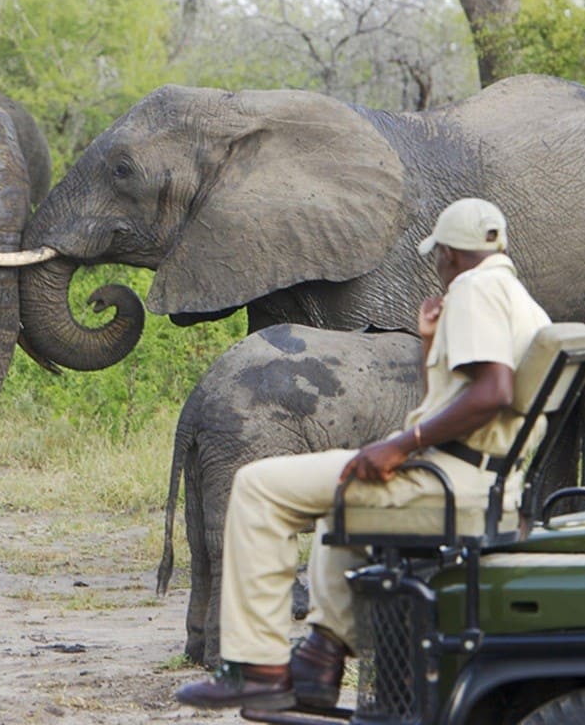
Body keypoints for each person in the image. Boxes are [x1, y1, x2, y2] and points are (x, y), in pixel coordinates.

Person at [174, 198, 551, 711]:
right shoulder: (518, 298)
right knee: (343, 497)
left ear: (450, 253)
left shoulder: (474, 290)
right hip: (486, 480)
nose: (435, 265)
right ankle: (319, 660)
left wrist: (400, 444)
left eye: (436, 255)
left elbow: (493, 392)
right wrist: (431, 342)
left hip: (451, 481)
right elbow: (448, 401)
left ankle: (258, 667)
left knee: (259, 486)